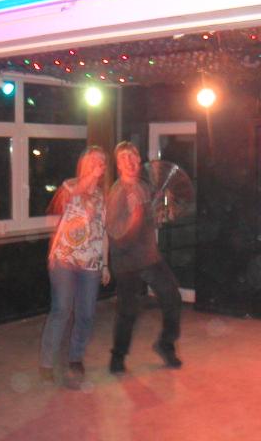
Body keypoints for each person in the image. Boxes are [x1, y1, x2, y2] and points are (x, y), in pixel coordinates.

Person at [106, 141, 182, 373]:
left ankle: (165, 344)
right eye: (124, 158)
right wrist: (135, 217)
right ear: (118, 165)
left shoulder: (143, 187)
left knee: (172, 297)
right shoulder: (118, 193)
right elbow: (116, 235)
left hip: (149, 256)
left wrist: (164, 208)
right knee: (128, 311)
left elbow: (155, 220)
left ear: (139, 160)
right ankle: (118, 357)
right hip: (126, 260)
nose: (130, 162)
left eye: (133, 157)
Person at [39, 146, 111, 384]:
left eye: (102, 160)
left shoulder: (103, 196)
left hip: (91, 261)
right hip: (65, 258)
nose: (98, 163)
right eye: (94, 159)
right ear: (84, 163)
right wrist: (90, 177)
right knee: (61, 309)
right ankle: (47, 361)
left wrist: (105, 264)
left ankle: (76, 358)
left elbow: (104, 231)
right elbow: (71, 197)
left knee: (86, 314)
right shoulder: (70, 185)